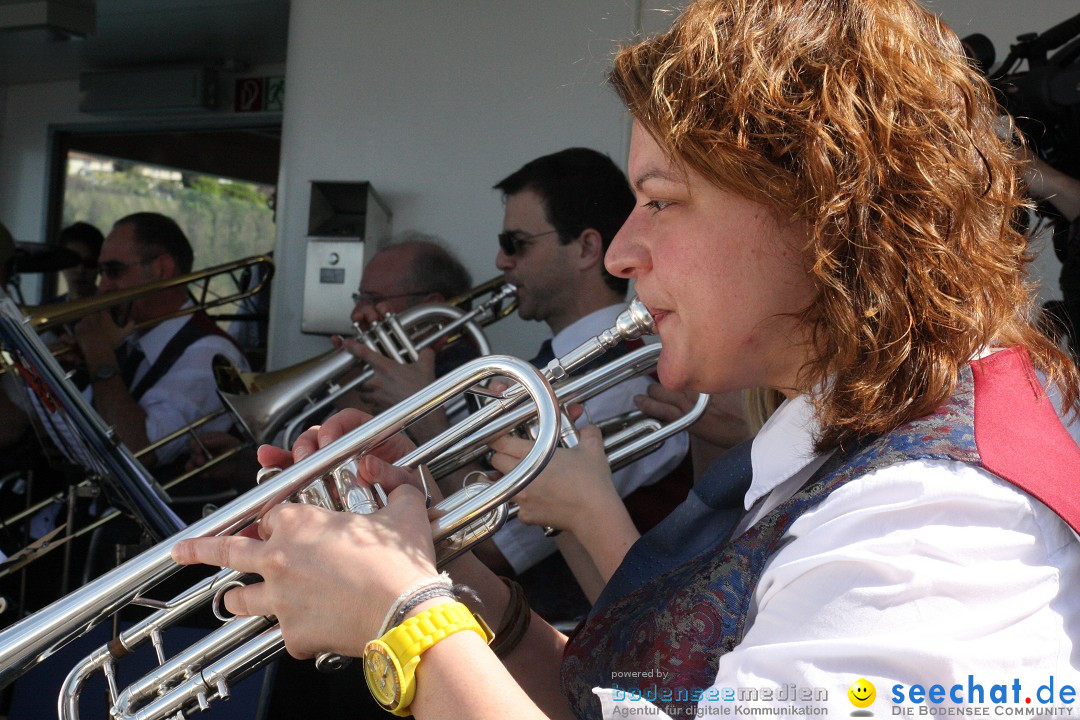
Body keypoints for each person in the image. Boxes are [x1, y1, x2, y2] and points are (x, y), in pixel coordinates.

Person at [174, 2, 1080, 720]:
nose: (621, 253)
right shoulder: (856, 444)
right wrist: (471, 602)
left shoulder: (940, 523)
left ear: (824, 210)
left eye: (662, 200)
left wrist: (403, 623)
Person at [484, 147, 689, 590]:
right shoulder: (546, 364)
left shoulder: (623, 384)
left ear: (586, 248)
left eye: (515, 244)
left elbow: (490, 547)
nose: (502, 261)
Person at [72, 212, 248, 476]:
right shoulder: (131, 339)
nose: (103, 287)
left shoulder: (210, 354)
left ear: (161, 269)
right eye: (102, 273)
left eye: (113, 271)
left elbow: (138, 452)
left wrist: (99, 354)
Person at [57, 221, 104, 301]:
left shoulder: (115, 310)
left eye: (89, 262)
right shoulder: (45, 308)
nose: (80, 270)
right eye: (72, 261)